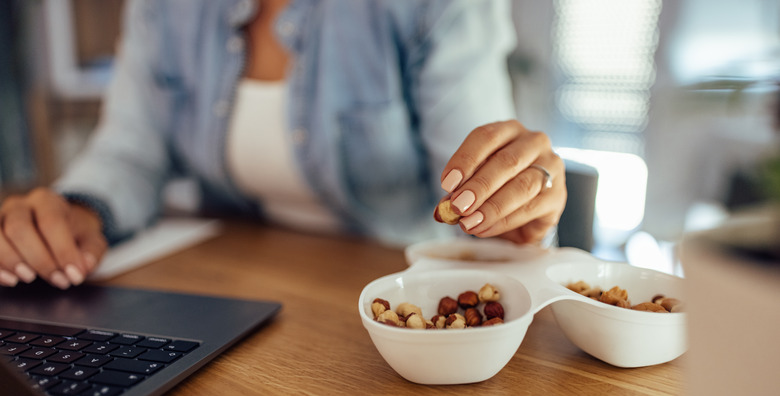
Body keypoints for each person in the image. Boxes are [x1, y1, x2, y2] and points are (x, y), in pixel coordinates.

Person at [0, 0, 566, 290]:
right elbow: (130, 150)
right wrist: (80, 209)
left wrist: (510, 204)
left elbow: (480, 170)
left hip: (393, 298)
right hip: (225, 294)